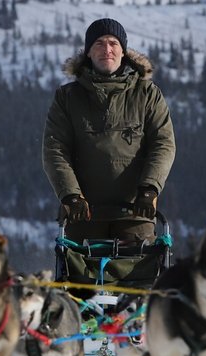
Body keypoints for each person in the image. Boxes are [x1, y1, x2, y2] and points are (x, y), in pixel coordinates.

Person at [42, 18, 175, 243]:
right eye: (99, 44)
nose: (107, 49)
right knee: (81, 277)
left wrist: (150, 188)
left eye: (113, 43)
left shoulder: (147, 94)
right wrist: (71, 196)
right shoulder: (67, 98)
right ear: (88, 53)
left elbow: (163, 144)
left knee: (139, 277)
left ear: (123, 51)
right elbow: (55, 150)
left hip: (136, 214)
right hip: (83, 216)